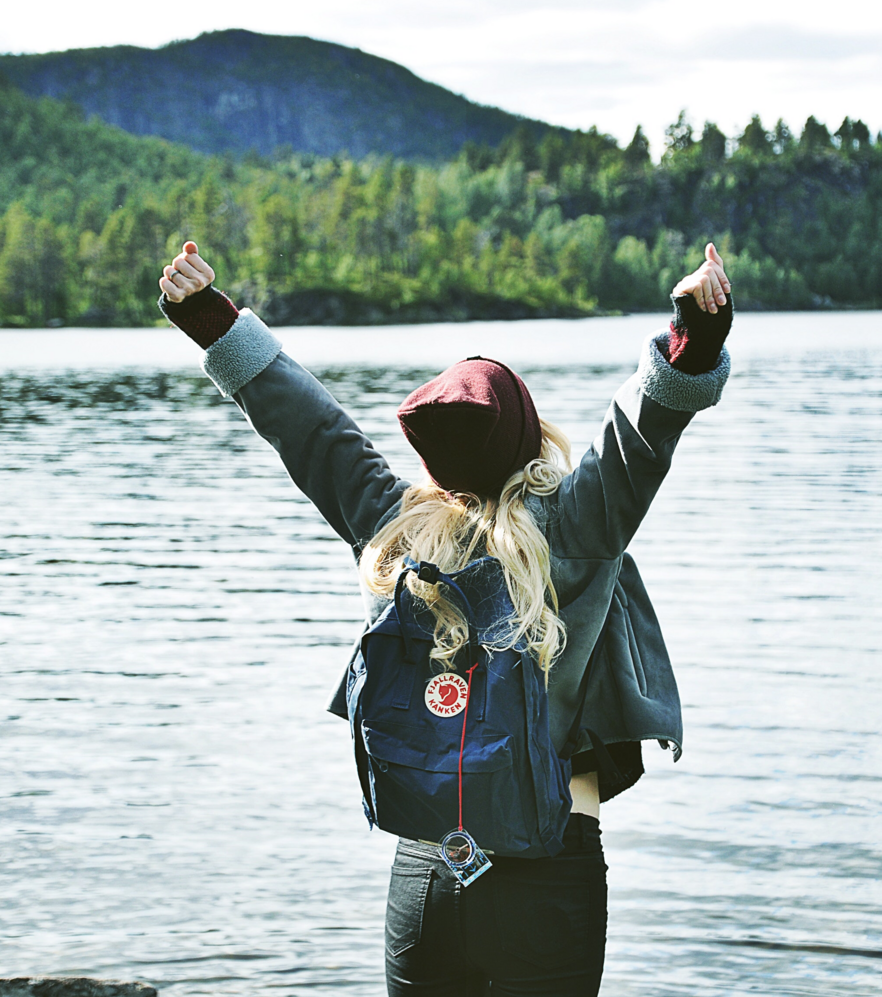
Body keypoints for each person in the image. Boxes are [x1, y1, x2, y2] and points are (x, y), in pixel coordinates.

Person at [157, 240, 733, 996]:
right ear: (529, 433)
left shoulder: (394, 527)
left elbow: (308, 427)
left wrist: (209, 318)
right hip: (549, 871)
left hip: (428, 870)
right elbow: (644, 427)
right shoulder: (578, 523)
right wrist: (695, 330)